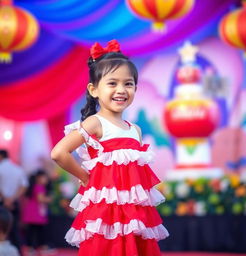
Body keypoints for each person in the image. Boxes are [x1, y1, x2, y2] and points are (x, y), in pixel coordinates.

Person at [51, 39, 169, 256]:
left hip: (133, 218)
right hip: (106, 216)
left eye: (128, 84)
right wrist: (86, 177)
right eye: (112, 83)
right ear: (94, 90)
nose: (121, 90)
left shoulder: (135, 130)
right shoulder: (95, 123)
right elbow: (59, 153)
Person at [0, 149, 28, 255]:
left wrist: (6, 199)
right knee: (14, 229)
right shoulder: (18, 169)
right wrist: (12, 198)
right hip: (14, 203)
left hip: (2, 203)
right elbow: (24, 186)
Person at [22, 169, 54, 255]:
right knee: (38, 231)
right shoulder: (39, 187)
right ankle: (40, 247)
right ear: (38, 178)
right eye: (44, 177)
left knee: (32, 231)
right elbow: (40, 199)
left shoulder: (34, 186)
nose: (46, 179)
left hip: (32, 213)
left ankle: (32, 248)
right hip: (36, 213)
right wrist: (49, 199)